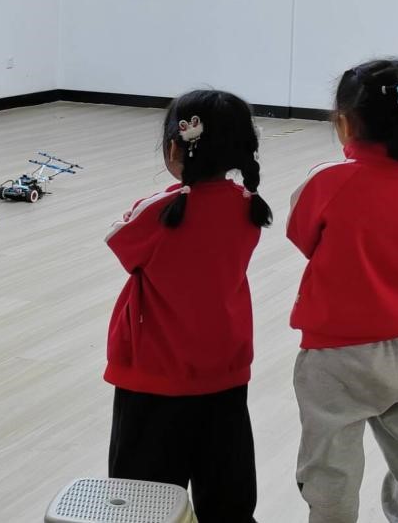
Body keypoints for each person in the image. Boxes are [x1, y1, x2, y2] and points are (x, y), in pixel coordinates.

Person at [289, 60, 398, 523]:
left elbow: (303, 236)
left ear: (344, 122)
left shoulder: (328, 181)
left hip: (336, 353)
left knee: (331, 471)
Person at [104, 90, 272, 522]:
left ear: (174, 147)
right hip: (224, 370)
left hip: (154, 375)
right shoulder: (249, 207)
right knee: (227, 496)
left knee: (143, 501)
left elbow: (121, 243)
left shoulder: (159, 211)